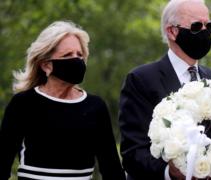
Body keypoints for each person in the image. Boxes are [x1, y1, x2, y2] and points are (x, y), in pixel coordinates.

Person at [118, 0, 211, 180]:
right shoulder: (142, 80)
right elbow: (133, 154)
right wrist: (169, 173)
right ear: (172, 31)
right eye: (196, 26)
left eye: (208, 26)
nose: (204, 32)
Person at [0, 21, 126, 180]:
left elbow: (112, 169)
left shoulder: (95, 107)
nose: (77, 60)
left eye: (79, 55)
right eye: (67, 55)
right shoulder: (23, 104)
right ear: (46, 65)